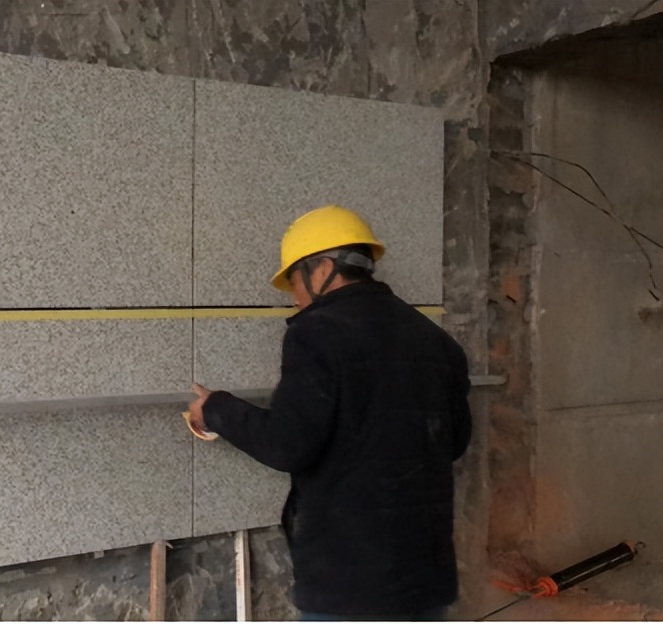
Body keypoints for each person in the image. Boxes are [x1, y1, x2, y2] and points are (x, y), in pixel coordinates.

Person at [187, 205, 471, 621]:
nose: (294, 297)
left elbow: (287, 444)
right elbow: (454, 441)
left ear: (322, 268)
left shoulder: (317, 333)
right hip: (425, 582)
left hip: (350, 586)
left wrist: (215, 409)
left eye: (293, 282)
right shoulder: (436, 341)